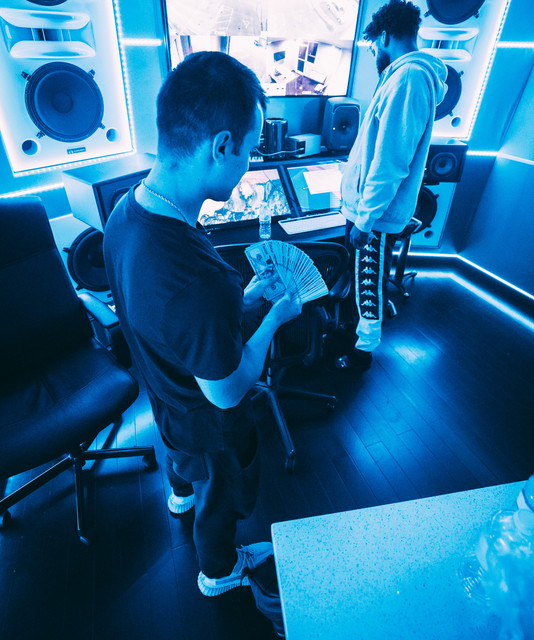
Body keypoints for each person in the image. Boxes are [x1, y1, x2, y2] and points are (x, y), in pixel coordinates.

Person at [103, 51, 302, 597]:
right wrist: (275, 317)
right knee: (222, 495)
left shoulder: (126, 209)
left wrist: (242, 299)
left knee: (181, 459)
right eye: (250, 151)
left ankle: (179, 495)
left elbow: (171, 319)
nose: (249, 165)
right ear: (221, 146)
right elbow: (228, 391)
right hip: (206, 421)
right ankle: (219, 570)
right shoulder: (199, 280)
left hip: (163, 390)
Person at [335, 0, 446, 371]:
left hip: (375, 216)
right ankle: (353, 335)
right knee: (360, 278)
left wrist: (365, 218)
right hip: (368, 210)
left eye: (373, 46)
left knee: (368, 282)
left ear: (384, 36)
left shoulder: (409, 78)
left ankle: (362, 354)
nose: (374, 53)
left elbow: (391, 160)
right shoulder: (401, 76)